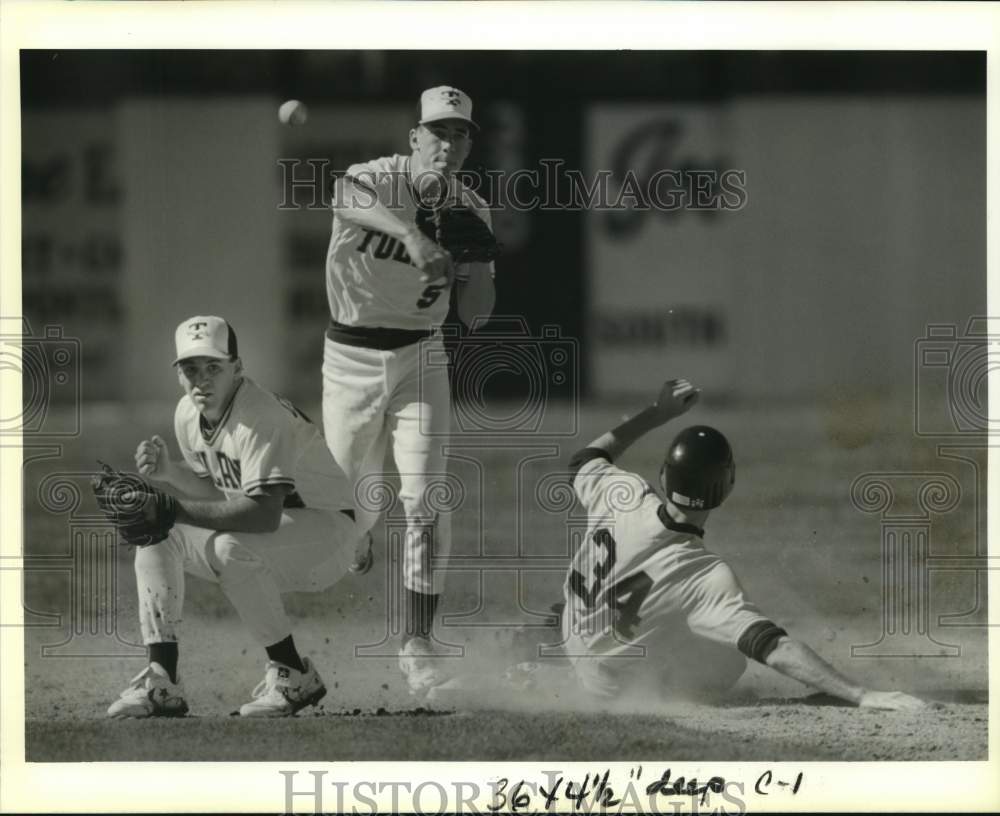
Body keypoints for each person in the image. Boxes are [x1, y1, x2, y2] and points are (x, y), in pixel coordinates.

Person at [558, 377, 927, 710]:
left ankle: (546, 647)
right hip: (607, 688)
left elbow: (584, 459)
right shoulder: (705, 577)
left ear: (663, 475)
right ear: (727, 487)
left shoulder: (624, 495)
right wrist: (862, 694)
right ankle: (653, 690)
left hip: (571, 633)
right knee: (727, 658)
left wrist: (658, 412)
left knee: (623, 602)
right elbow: (772, 647)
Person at [322, 86, 496, 694]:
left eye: (459, 135)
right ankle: (359, 530)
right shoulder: (374, 178)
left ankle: (417, 641)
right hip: (349, 358)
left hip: (422, 356)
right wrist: (417, 238)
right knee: (347, 507)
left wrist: (472, 263)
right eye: (437, 132)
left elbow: (475, 316)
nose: (447, 145)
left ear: (468, 145)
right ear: (413, 137)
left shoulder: (472, 206)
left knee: (426, 499)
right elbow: (344, 200)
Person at [106, 315, 362, 718]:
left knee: (228, 546)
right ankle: (162, 679)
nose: (201, 379)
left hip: (328, 532)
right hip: (280, 532)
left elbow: (261, 516)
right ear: (178, 374)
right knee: (157, 534)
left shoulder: (259, 417)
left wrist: (172, 506)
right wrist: (171, 474)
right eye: (190, 368)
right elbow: (224, 496)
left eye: (213, 367)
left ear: (237, 368)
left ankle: (294, 674)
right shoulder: (188, 416)